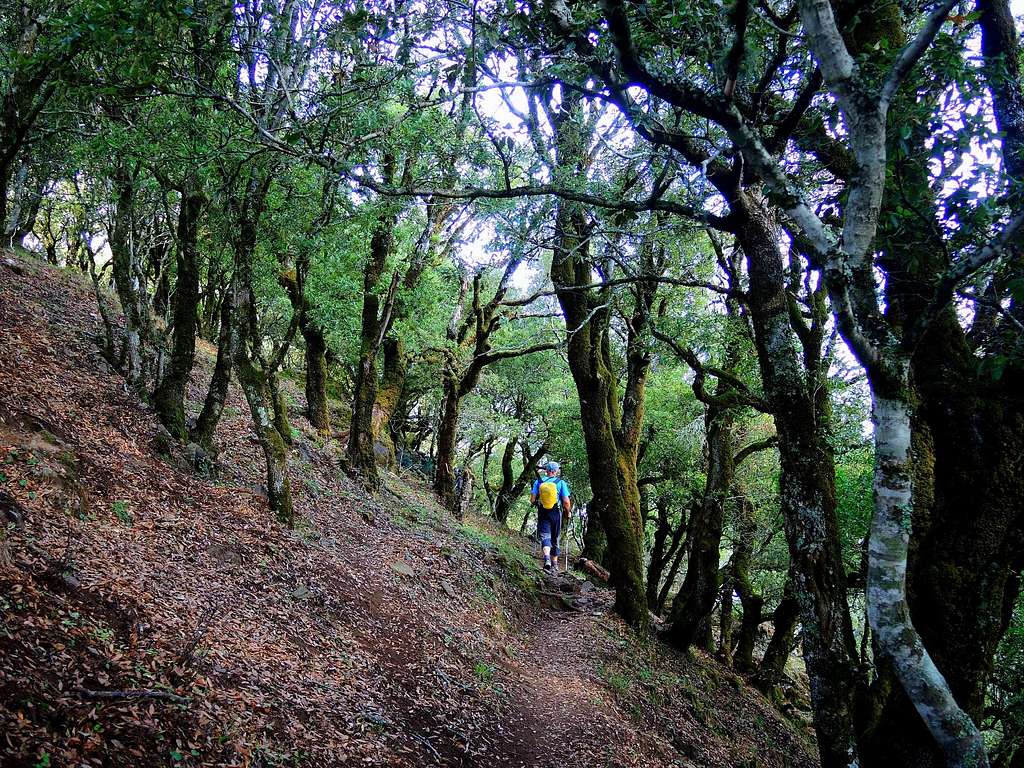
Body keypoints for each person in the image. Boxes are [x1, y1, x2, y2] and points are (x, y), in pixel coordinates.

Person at [530, 461, 571, 571]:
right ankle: (555, 564)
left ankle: (547, 558)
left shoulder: (538, 482)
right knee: (555, 537)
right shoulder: (561, 482)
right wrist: (568, 512)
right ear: (556, 471)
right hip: (555, 512)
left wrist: (538, 504)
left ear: (546, 470)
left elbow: (532, 500)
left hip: (543, 512)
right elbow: (566, 502)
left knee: (545, 535)